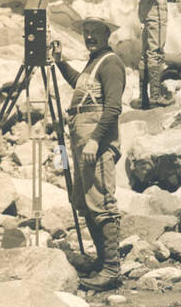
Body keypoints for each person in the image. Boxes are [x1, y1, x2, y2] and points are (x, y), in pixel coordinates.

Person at [50, 18, 126, 291]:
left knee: (101, 202)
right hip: (82, 136)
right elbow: (81, 88)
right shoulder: (93, 62)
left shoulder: (111, 63)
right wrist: (60, 62)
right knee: (83, 199)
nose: (90, 37)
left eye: (95, 32)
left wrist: (95, 140)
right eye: (86, 33)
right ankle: (103, 262)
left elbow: (113, 108)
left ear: (107, 34)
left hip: (96, 140)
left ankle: (111, 270)